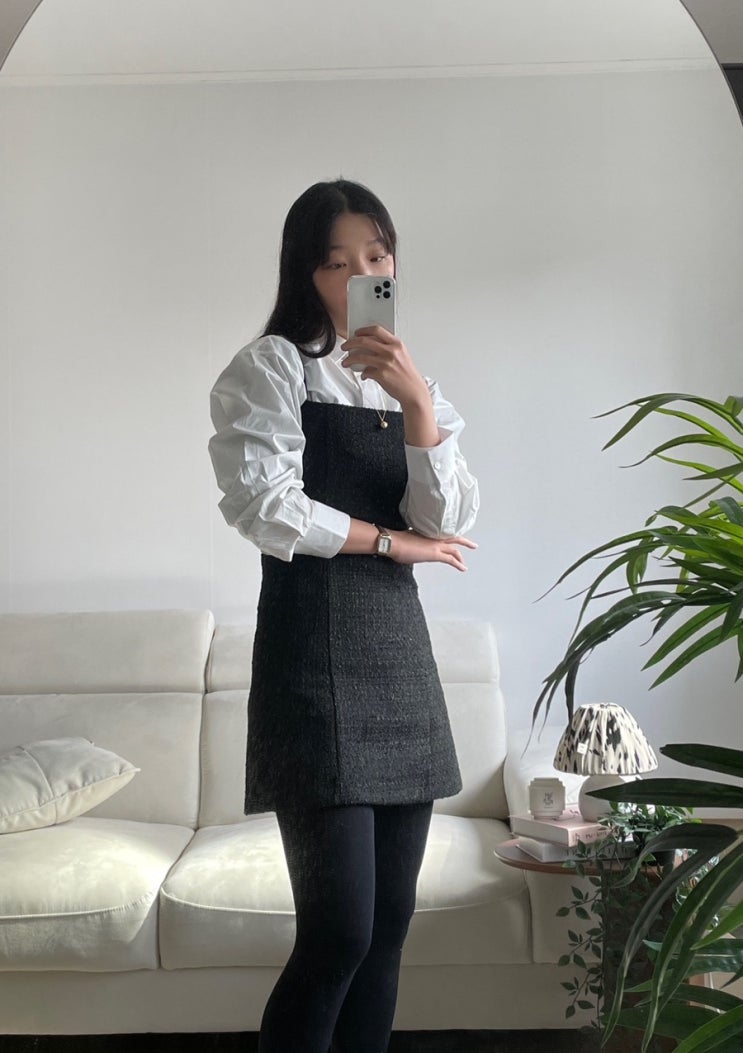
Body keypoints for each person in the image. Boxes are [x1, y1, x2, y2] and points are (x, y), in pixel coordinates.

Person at [208, 179, 479, 1053]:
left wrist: (416, 406)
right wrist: (390, 543)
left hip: (399, 656)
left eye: (376, 256)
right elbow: (265, 507)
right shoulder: (271, 367)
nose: (360, 274)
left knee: (389, 930)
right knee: (338, 934)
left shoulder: (414, 386)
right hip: (310, 651)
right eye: (336, 262)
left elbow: (447, 519)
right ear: (305, 273)